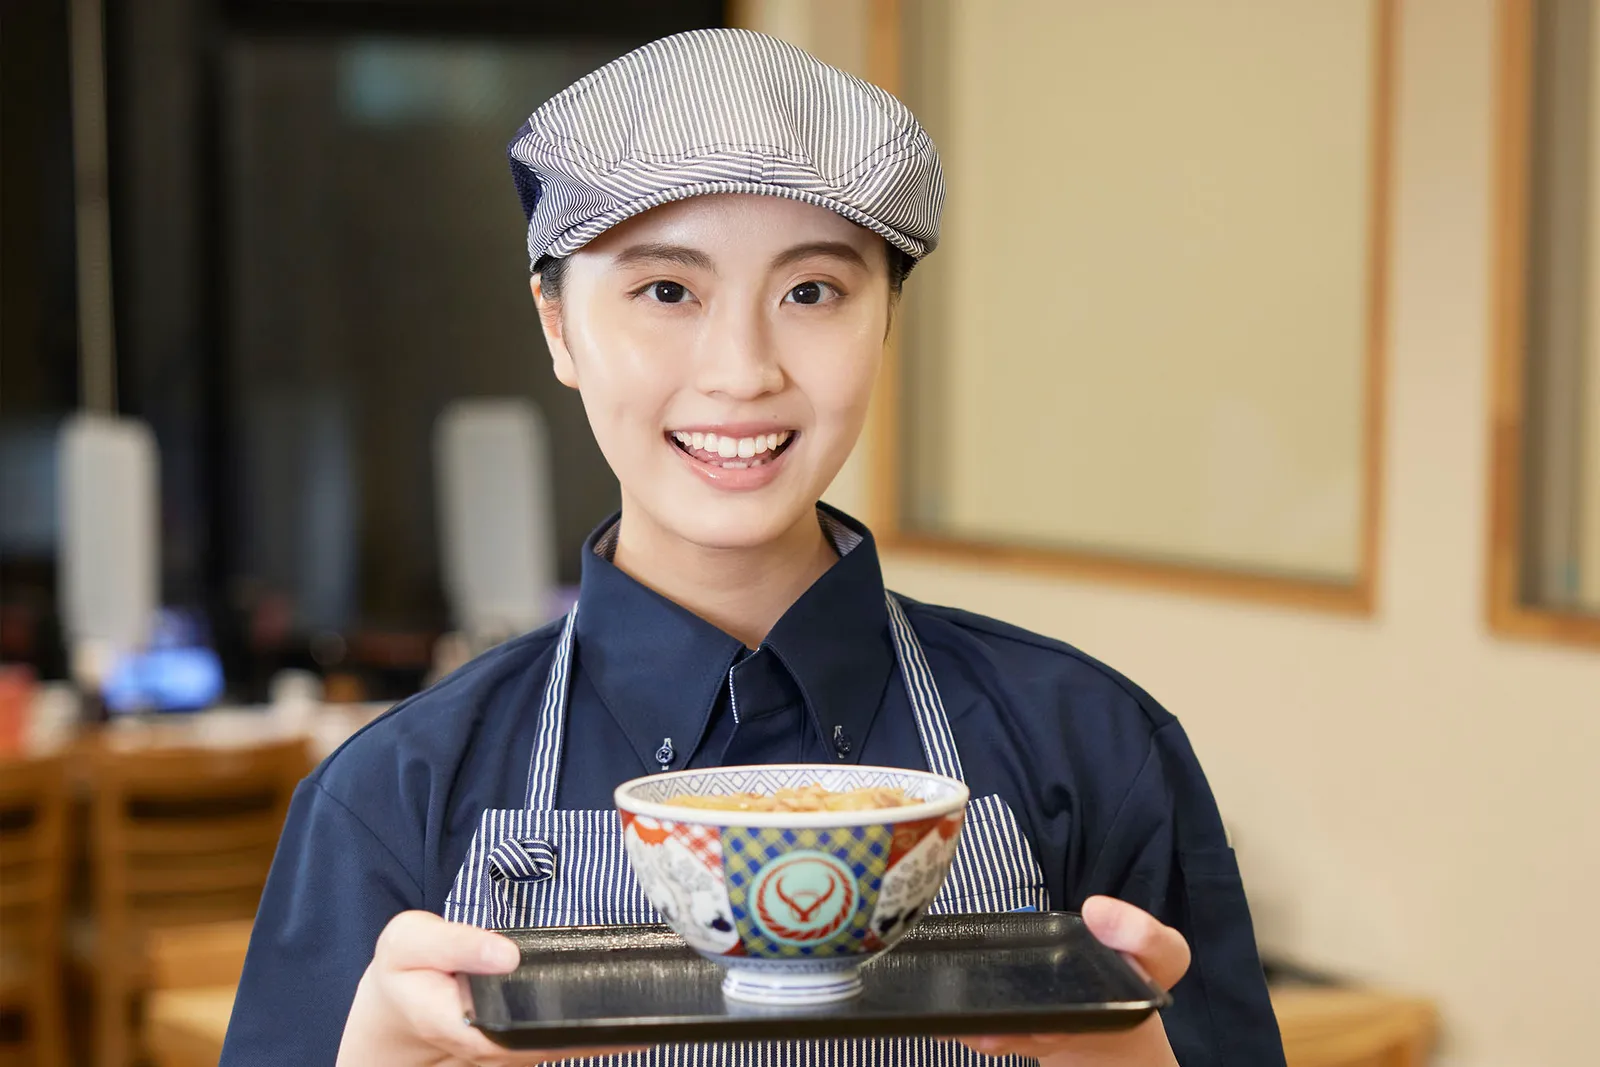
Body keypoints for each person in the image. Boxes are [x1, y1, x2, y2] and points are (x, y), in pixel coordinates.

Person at [220, 28, 1285, 1067]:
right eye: (666, 291)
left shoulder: (1092, 747)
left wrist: (1126, 1053)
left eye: (810, 291)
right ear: (556, 325)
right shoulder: (394, 793)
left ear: (885, 321)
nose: (741, 371)